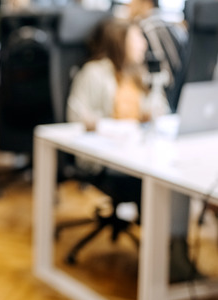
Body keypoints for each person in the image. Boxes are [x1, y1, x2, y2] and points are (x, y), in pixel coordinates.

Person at [67, 17, 198, 282]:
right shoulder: (94, 72)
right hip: (106, 159)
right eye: (137, 39)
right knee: (164, 184)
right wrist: (102, 125)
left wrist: (153, 108)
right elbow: (75, 114)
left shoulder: (140, 75)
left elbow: (161, 110)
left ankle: (174, 253)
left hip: (137, 151)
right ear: (121, 42)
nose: (143, 45)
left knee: (177, 180)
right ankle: (165, 261)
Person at [127, 0, 188, 109]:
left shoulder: (141, 29)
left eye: (133, 2)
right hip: (180, 98)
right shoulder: (175, 28)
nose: (129, 6)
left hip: (154, 101)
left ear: (147, 3)